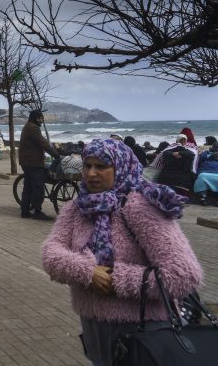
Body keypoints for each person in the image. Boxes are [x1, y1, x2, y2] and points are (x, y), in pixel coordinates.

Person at [42, 139, 202, 366]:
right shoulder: (77, 208)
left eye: (101, 166)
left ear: (120, 167)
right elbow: (51, 253)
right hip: (94, 328)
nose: (91, 173)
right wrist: (88, 271)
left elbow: (184, 274)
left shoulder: (139, 207)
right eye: (87, 166)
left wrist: (115, 278)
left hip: (144, 331)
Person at [18, 109, 59, 220]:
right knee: (38, 187)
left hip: (26, 162)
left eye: (42, 119)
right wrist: (56, 155)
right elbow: (43, 143)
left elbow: (41, 141)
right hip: (33, 163)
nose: (41, 121)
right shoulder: (33, 128)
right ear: (34, 118)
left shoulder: (28, 126)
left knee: (28, 187)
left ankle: (25, 211)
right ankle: (37, 211)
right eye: (39, 118)